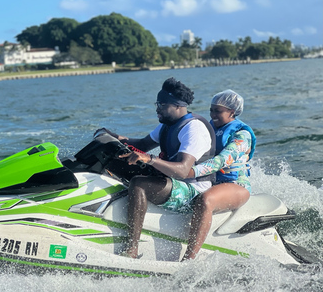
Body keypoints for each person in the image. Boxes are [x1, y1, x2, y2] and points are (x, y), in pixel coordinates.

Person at [102, 77, 216, 259]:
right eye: (157, 103)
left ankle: (131, 249)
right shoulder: (167, 125)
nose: (157, 108)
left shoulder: (194, 129)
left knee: (139, 183)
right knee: (116, 163)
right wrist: (114, 138)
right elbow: (142, 144)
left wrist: (150, 159)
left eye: (162, 104)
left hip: (193, 189)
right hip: (173, 180)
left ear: (178, 106)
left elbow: (183, 171)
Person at [181, 89, 256, 261]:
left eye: (218, 111)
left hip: (236, 186)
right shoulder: (208, 129)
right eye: (211, 110)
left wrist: (189, 172)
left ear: (232, 112)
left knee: (205, 200)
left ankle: (188, 260)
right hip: (209, 180)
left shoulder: (242, 135)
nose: (213, 114)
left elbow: (221, 161)